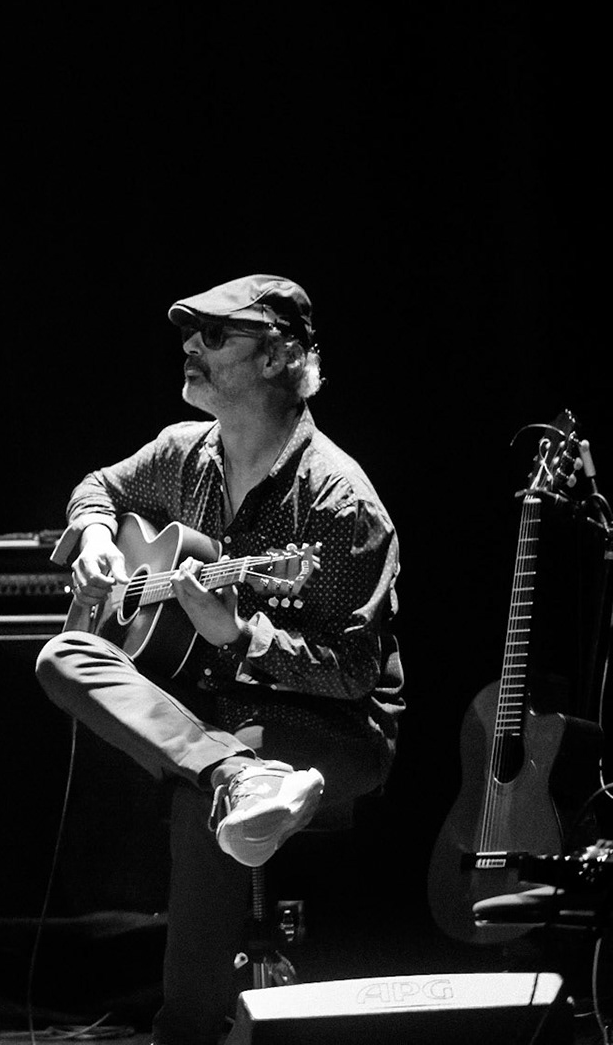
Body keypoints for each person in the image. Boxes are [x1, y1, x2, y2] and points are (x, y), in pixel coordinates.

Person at [36, 274, 402, 1045]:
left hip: (333, 727)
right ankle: (234, 773)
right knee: (64, 654)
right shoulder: (183, 453)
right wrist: (99, 534)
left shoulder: (340, 501)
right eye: (189, 335)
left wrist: (241, 636)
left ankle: (188, 1030)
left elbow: (353, 671)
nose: (190, 349)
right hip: (221, 714)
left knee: (202, 800)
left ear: (279, 357)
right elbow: (99, 486)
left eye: (215, 336)